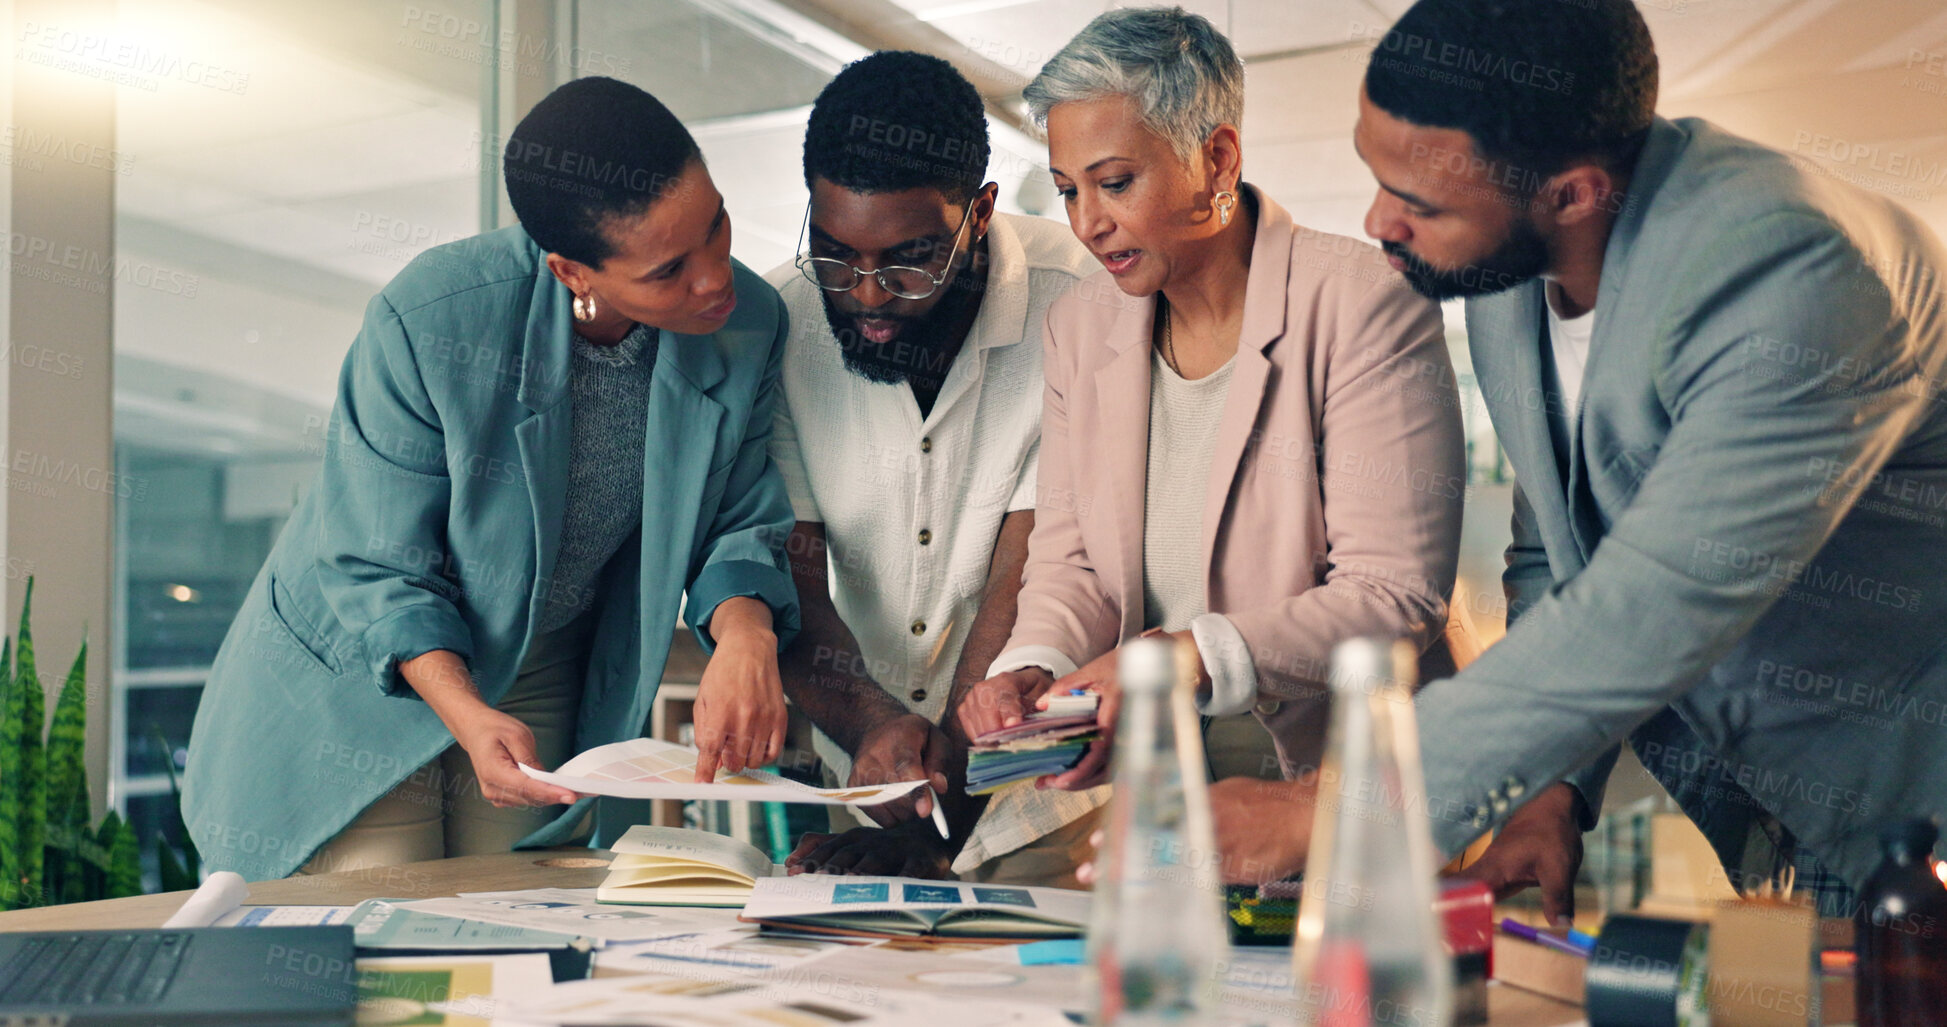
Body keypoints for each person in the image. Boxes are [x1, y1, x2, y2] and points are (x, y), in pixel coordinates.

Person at [1224, 0, 1947, 921]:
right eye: (1377, 180)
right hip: (1780, 795)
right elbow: (1558, 553)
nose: (1378, 223)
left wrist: (1327, 807)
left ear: (1570, 192)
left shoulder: (1791, 270)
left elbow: (1655, 598)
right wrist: (1546, 789)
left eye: (1418, 203)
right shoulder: (1512, 276)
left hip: (1908, 784)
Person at [182, 77, 801, 880]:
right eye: (668, 270)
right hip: (369, 664)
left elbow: (739, 512)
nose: (715, 277)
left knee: (514, 908)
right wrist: (465, 711)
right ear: (572, 271)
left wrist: (746, 636)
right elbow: (380, 564)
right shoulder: (433, 316)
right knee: (389, 915)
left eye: (715, 226)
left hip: (541, 658)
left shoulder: (745, 321)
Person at [958, 6, 1469, 845]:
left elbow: (1392, 596)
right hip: (1154, 785)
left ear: (1216, 158)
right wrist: (1031, 667)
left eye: (1114, 182)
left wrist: (1186, 659)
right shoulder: (1079, 329)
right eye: (1067, 190)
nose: (1086, 222)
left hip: (1346, 793)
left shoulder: (1363, 302)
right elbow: (1072, 562)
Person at [765, 52, 1101, 886]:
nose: (869, 296)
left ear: (979, 213)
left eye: (911, 260)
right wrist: (877, 730)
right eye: (838, 257)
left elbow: (1027, 572)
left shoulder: (1083, 302)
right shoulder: (778, 324)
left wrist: (937, 801)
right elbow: (794, 586)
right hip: (869, 770)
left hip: (1042, 785)